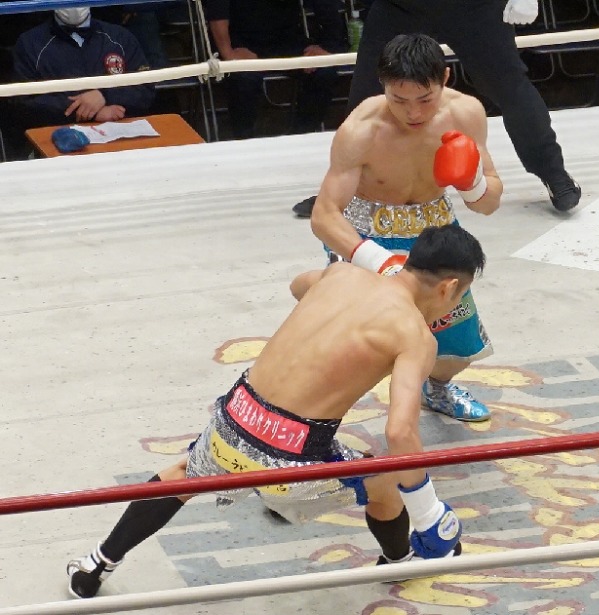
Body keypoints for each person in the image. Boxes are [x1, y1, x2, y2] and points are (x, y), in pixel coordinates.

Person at [66, 224, 486, 599]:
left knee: (182, 474)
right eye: (460, 295)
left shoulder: (341, 275)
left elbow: (298, 286)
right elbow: (400, 434)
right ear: (448, 287)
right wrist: (429, 513)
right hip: (291, 459)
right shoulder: (414, 335)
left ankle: (95, 564)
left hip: (233, 420)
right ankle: (399, 561)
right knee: (385, 482)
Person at [309, 33, 502, 422]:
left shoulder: (466, 114)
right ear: (383, 85)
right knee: (354, 347)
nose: (413, 112)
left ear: (444, 78)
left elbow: (488, 204)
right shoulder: (361, 130)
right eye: (399, 100)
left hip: (436, 232)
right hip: (367, 233)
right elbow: (324, 215)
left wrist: (473, 183)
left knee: (456, 346)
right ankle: (317, 414)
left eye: (425, 99)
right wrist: (380, 263)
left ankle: (438, 388)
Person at [292, 0, 580, 217]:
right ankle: (341, 191)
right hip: (401, 5)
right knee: (367, 91)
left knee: (509, 85)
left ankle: (554, 174)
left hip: (473, 5)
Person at [206, 0, 348, 139]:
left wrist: (328, 45)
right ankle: (245, 143)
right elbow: (217, 10)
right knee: (244, 80)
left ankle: (300, 138)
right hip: (241, 42)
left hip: (287, 39)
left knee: (324, 71)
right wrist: (228, 53)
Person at [10, 7, 155, 134]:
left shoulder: (120, 37)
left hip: (122, 134)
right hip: (57, 137)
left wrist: (105, 95)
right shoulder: (30, 43)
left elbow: (145, 89)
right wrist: (91, 113)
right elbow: (23, 103)